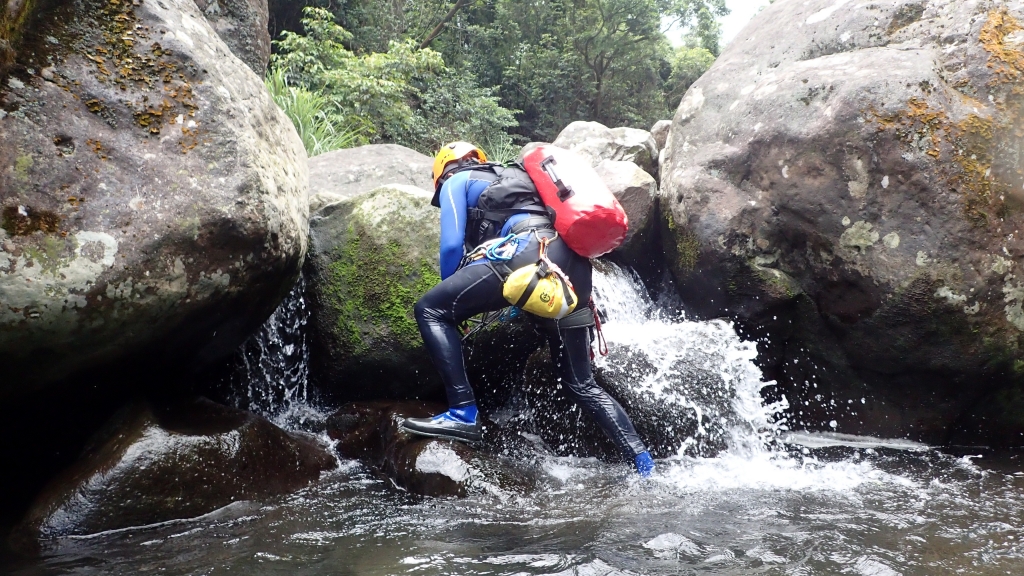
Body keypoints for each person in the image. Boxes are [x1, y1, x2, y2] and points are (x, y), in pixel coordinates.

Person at [400, 141, 655, 477]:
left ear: (442, 172)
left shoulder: (455, 182)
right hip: (573, 271)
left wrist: (454, 303)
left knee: (430, 310)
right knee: (581, 383)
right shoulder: (520, 177)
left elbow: (450, 247)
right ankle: (643, 462)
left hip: (530, 254)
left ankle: (463, 413)